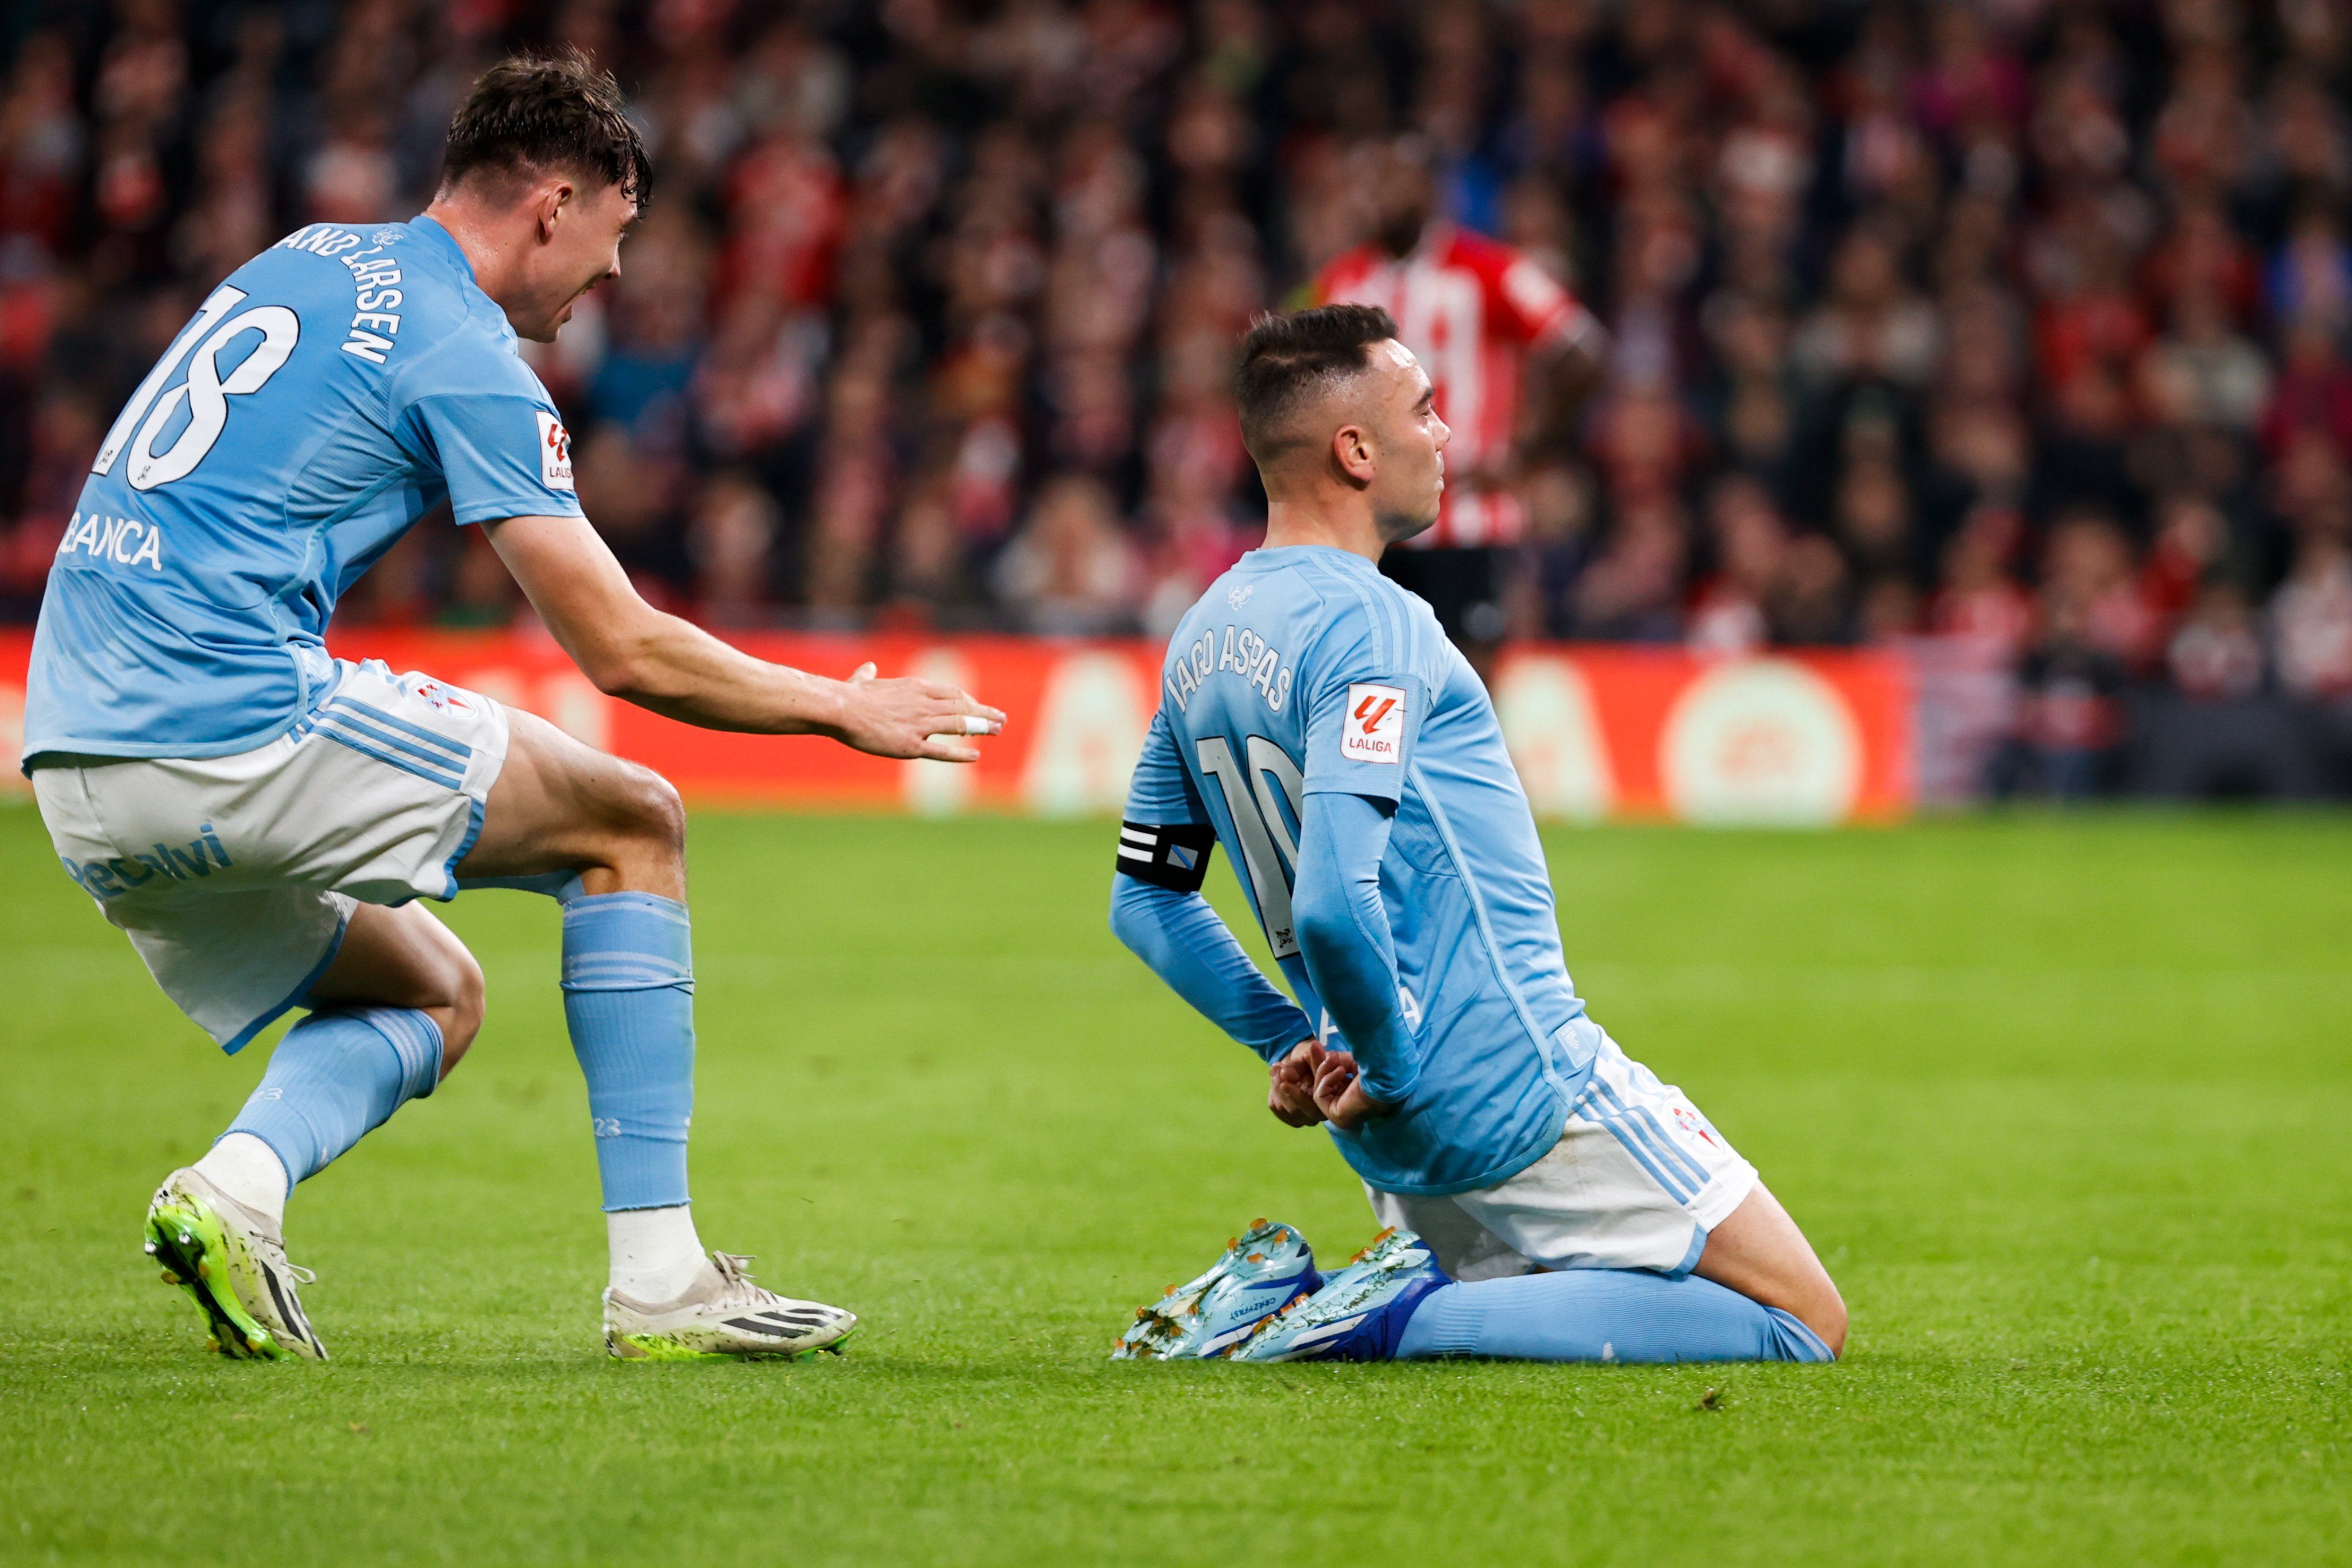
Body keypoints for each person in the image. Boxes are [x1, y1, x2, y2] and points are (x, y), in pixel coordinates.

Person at [22, 52, 1002, 1364]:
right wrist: (839, 708)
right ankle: (660, 1281)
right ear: (553, 201)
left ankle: (233, 1193)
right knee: (631, 823)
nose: (611, 272)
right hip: (223, 713)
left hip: (74, 762)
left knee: (435, 992)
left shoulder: (306, 256)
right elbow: (623, 649)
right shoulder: (463, 347)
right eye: (614, 230)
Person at [1107, 305, 1844, 1364]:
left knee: (1553, 1300)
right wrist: (1393, 1065)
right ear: (1355, 452)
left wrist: (1293, 1044)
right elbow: (1327, 895)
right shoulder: (1374, 622)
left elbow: (1147, 899)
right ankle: (1365, 1315)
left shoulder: (1203, 634)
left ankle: (1336, 1301)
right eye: (1426, 409)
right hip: (1514, 1080)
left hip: (1378, 1124)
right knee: (1801, 1323)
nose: (1447, 435)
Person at [1312, 138, 1607, 651]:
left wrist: (1527, 452)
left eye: (1395, 181)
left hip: (1471, 517)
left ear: (1431, 192)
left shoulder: (1487, 269)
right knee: (1374, 682)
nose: (1380, 196)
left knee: (1466, 679)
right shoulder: (1343, 280)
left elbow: (1583, 351)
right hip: (1376, 526)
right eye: (1372, 182)